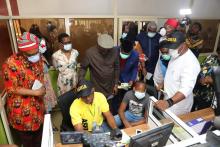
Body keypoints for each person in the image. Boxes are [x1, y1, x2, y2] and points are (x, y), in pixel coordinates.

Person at [2, 32, 45, 147]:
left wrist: (42, 88)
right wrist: (35, 92)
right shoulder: (11, 64)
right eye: (33, 52)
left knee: (40, 140)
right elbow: (11, 88)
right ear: (23, 52)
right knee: (28, 142)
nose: (37, 54)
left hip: (38, 108)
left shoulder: (37, 58)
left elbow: (39, 75)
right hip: (23, 113)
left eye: (37, 51)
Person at [154, 31, 200, 115]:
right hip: (168, 97)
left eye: (173, 48)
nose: (170, 50)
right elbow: (172, 74)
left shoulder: (191, 63)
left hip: (178, 105)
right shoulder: (176, 55)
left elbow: (185, 89)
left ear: (183, 45)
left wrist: (169, 102)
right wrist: (163, 83)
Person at [30, 24, 57, 113]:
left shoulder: (41, 57)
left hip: (45, 83)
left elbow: (45, 51)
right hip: (39, 84)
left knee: (45, 103)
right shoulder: (33, 59)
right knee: (42, 103)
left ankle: (47, 119)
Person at [112, 35, 139, 115]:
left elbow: (135, 68)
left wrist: (132, 79)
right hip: (114, 79)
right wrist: (114, 83)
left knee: (126, 99)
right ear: (120, 48)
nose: (125, 55)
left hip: (126, 81)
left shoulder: (135, 54)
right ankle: (115, 116)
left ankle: (124, 115)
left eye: (128, 54)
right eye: (123, 53)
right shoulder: (113, 51)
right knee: (114, 99)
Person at [136, 21, 160, 86]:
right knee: (140, 84)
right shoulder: (140, 36)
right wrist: (143, 67)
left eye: (154, 31)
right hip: (141, 64)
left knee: (151, 85)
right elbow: (138, 50)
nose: (152, 32)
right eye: (150, 30)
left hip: (154, 66)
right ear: (147, 29)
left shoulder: (159, 37)